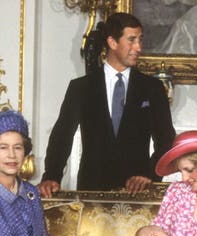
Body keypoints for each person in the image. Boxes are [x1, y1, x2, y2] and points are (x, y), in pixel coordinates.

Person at [39, 12, 175, 197]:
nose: (138, 47)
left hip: (137, 194)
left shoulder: (153, 88)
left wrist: (150, 175)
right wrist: (51, 176)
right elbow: (62, 136)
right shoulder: (81, 87)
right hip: (91, 191)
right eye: (132, 40)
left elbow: (167, 141)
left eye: (140, 40)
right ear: (112, 42)